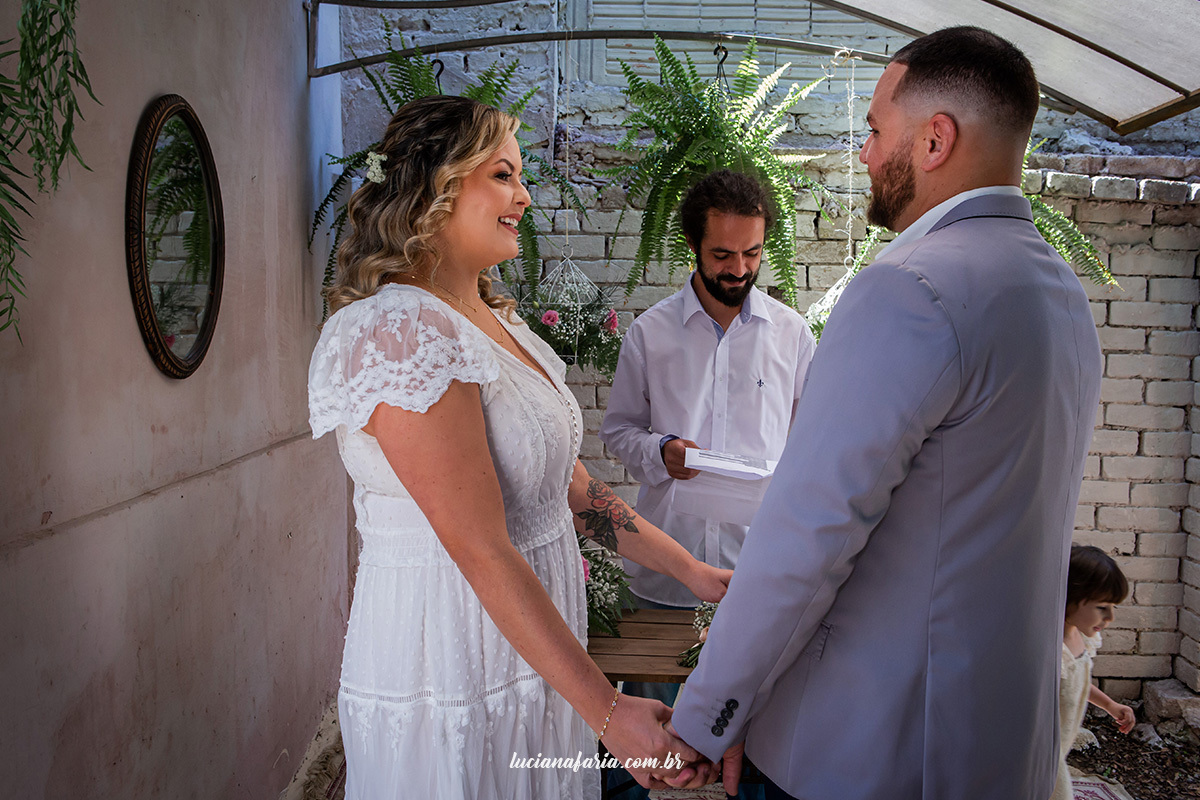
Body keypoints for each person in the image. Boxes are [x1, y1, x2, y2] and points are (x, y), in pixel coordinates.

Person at [666, 26, 1105, 800]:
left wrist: (707, 716)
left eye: (875, 130)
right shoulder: (1061, 293)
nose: (864, 154)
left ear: (935, 139)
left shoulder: (912, 289)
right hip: (1001, 746)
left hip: (871, 746)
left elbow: (810, 532)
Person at [306, 95, 730, 799]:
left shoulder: (499, 323)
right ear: (437, 187)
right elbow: (480, 546)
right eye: (502, 175)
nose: (524, 197)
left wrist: (696, 574)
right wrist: (611, 710)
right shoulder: (401, 331)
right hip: (454, 666)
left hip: (535, 660)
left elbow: (569, 490)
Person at [598, 169, 814, 799]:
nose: (739, 267)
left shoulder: (793, 337)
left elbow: (811, 448)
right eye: (722, 254)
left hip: (759, 572)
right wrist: (660, 451)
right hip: (667, 566)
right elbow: (617, 434)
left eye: (751, 252)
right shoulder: (651, 333)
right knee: (647, 751)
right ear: (694, 245)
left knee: (759, 748)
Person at [1053, 545, 1135, 800]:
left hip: (1062, 749)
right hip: (1045, 753)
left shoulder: (1081, 639)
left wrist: (1109, 704)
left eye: (1113, 607)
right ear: (1071, 599)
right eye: (1102, 607)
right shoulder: (1051, 650)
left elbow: (1076, 683)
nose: (1110, 617)